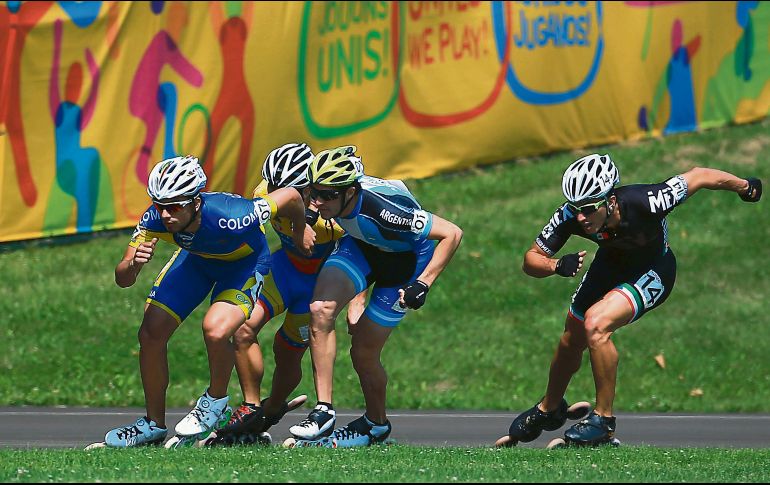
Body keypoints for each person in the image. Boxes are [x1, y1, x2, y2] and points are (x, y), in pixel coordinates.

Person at [504, 153, 762, 446]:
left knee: (596, 325)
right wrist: (555, 266)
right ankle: (549, 409)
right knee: (570, 338)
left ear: (610, 201)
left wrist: (745, 186)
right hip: (610, 264)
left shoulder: (647, 200)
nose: (580, 217)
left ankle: (603, 420)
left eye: (588, 209)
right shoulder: (570, 215)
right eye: (575, 208)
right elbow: (530, 259)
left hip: (654, 269)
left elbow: (700, 175)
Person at [101, 155, 309, 447]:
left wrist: (299, 230)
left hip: (243, 266)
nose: (165, 215)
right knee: (150, 333)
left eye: (174, 207)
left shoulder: (235, 215)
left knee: (215, 328)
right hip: (197, 263)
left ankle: (215, 402)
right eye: (159, 205)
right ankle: (153, 424)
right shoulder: (154, 218)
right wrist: (133, 265)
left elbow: (289, 195)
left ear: (195, 203)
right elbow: (123, 279)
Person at [288, 146, 463, 448]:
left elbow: (452, 233)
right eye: (313, 192)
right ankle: (323, 412)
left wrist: (423, 284)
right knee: (320, 309)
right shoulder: (328, 198)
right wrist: (356, 301)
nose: (317, 201)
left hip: (406, 262)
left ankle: (375, 425)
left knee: (363, 353)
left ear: (350, 192)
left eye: (327, 195)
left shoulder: (385, 212)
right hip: (363, 247)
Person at [212, 142, 350, 441]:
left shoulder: (332, 218)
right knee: (243, 327)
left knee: (286, 353)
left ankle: (272, 409)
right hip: (283, 270)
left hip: (317, 284)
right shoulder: (264, 193)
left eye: (290, 189)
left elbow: (359, 254)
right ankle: (250, 405)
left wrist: (356, 300)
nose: (280, 195)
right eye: (274, 186)